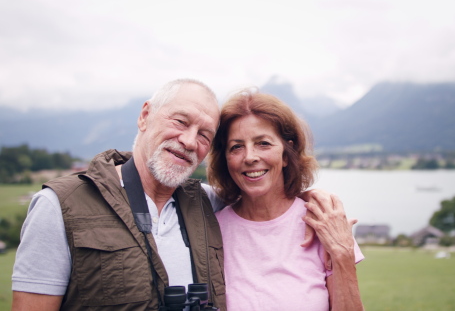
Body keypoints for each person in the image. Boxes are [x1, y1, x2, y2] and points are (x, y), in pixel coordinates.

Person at [11, 79, 227, 310]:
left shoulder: (211, 203)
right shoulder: (59, 205)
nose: (190, 141)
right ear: (145, 116)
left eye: (204, 135)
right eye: (180, 121)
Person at [207, 89, 364, 311]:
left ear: (286, 154)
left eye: (263, 143)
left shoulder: (324, 223)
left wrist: (342, 254)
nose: (250, 157)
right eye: (237, 147)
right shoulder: (211, 231)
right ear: (225, 159)